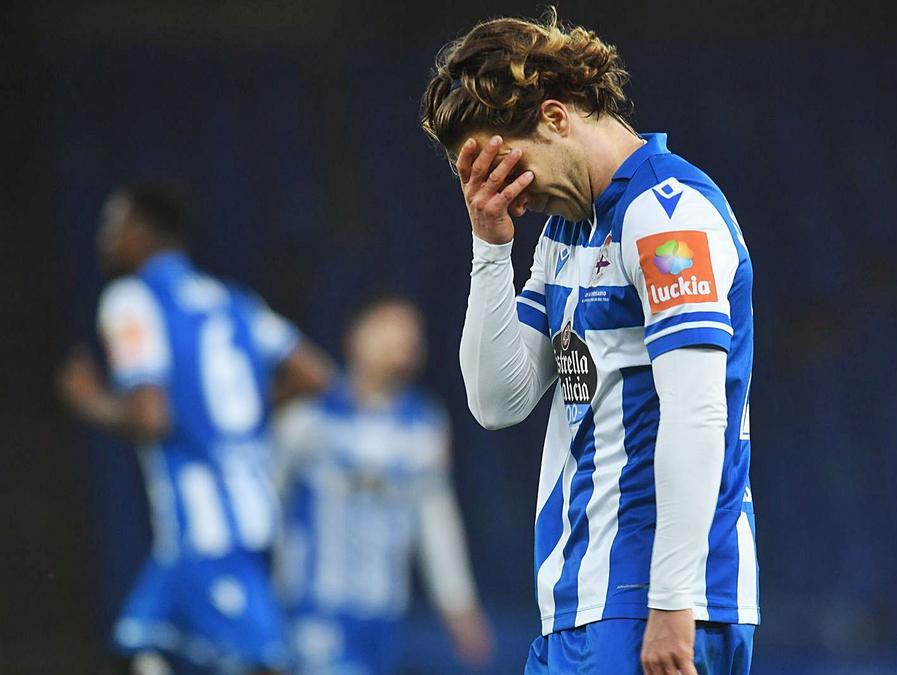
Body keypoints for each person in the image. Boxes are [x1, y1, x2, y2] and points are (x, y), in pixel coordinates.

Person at [419, 10, 758, 675]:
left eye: (511, 165)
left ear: (555, 117)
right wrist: (490, 248)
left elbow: (697, 411)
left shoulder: (667, 215)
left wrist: (671, 601)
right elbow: (498, 399)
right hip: (579, 598)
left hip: (649, 602)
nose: (515, 190)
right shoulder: (567, 234)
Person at [59, 184, 333, 674]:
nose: (103, 239)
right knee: (141, 651)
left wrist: (91, 401)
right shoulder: (233, 301)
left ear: (141, 233)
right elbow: (315, 373)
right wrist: (243, 414)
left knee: (260, 665)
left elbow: (150, 415)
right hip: (242, 514)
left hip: (206, 530)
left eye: (112, 225)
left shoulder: (130, 299)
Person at [272, 296, 494, 674]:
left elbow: (435, 520)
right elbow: (263, 502)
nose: (401, 341)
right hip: (315, 608)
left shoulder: (424, 425)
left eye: (411, 334)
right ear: (356, 337)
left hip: (384, 613)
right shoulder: (308, 420)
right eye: (388, 328)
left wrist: (458, 604)